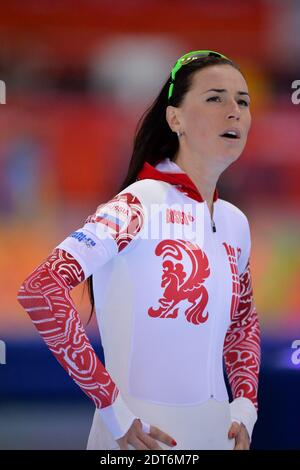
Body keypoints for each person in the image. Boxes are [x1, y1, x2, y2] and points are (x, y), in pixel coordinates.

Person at [17, 50, 261, 450]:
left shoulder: (235, 222)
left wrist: (246, 407)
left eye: (243, 101)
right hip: (139, 442)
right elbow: (41, 289)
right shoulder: (139, 203)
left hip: (219, 437)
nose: (234, 111)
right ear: (175, 118)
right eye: (215, 97)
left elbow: (243, 322)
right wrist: (112, 408)